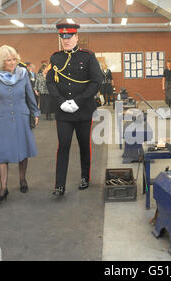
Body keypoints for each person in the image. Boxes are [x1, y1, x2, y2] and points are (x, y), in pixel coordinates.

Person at [46, 23, 103, 196]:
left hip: (83, 110)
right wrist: (60, 101)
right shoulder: (55, 58)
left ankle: (85, 177)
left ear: (77, 37)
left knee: (84, 145)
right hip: (63, 112)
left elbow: (96, 81)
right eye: (63, 37)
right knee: (63, 145)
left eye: (69, 37)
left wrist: (78, 101)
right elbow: (50, 81)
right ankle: (59, 184)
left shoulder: (88, 56)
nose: (66, 40)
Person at [0, 45, 40, 202]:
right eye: (8, 60)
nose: (12, 62)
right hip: (1, 119)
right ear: (1, 61)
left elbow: (30, 95)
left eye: (14, 59)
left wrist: (35, 112)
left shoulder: (23, 74)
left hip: (22, 117)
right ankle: (3, 188)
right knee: (2, 153)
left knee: (22, 150)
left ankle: (22, 180)